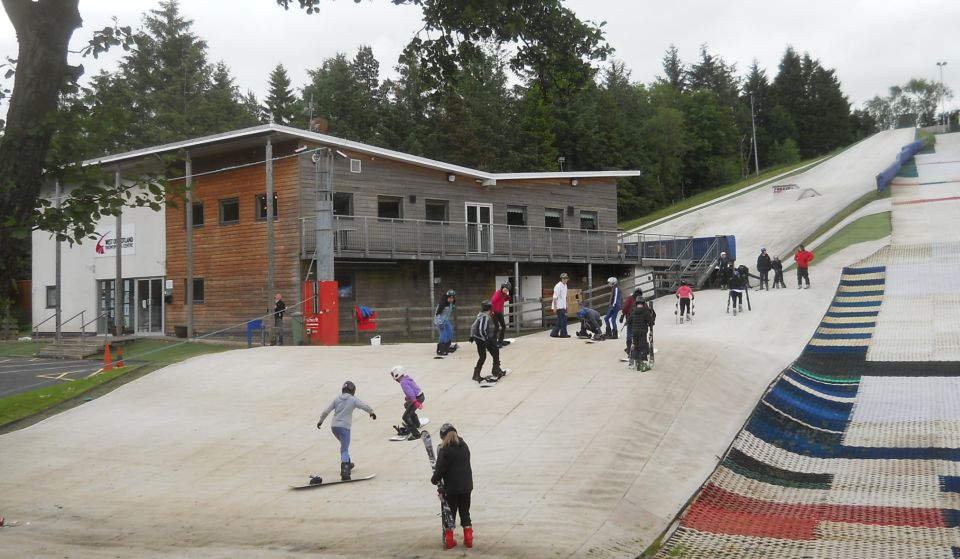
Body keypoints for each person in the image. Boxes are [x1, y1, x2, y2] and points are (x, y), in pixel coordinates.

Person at [316, 380, 377, 481]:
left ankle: (347, 463)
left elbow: (326, 410)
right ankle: (345, 471)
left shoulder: (336, 399)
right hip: (344, 428)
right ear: (353, 390)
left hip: (334, 427)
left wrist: (320, 421)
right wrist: (371, 412)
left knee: (343, 446)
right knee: (345, 449)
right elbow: (363, 406)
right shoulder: (353, 400)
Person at [431, 423, 474, 549]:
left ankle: (449, 541)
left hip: (451, 488)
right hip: (466, 486)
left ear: (443, 436)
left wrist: (434, 479)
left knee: (449, 514)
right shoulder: (464, 446)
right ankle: (468, 540)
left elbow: (440, 469)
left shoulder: (445, 450)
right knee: (465, 512)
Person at [469, 300, 506, 383]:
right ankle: (495, 370)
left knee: (483, 356)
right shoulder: (485, 316)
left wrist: (472, 336)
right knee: (495, 352)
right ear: (490, 308)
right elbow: (482, 329)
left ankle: (476, 374)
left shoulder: (480, 314)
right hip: (482, 339)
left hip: (478, 338)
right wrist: (486, 340)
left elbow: (473, 326)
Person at [390, 366, 425, 440]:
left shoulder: (403, 382)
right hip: (420, 395)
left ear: (397, 375)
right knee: (406, 405)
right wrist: (409, 397)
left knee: (405, 417)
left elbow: (411, 392)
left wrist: (415, 402)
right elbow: (414, 387)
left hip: (417, 398)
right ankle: (416, 423)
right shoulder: (406, 378)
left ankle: (416, 434)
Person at [629, 298, 656, 370]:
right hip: (642, 332)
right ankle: (642, 363)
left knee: (634, 345)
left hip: (634, 331)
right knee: (642, 346)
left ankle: (634, 362)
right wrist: (652, 318)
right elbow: (651, 322)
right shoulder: (645, 312)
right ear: (643, 304)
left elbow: (629, 321)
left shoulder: (633, 311)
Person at [435, 289, 458, 355]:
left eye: (452, 298)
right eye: (450, 298)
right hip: (440, 320)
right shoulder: (442, 303)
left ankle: (447, 347)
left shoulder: (451, 303)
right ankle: (440, 349)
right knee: (443, 334)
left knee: (450, 331)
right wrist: (440, 322)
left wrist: (453, 306)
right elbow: (437, 314)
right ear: (446, 297)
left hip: (445, 320)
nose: (451, 299)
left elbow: (452, 307)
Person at [620, 288, 642, 357]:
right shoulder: (641, 300)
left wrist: (622, 315)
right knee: (636, 334)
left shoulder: (630, 298)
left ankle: (629, 348)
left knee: (629, 333)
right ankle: (636, 348)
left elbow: (625, 307)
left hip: (630, 318)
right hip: (639, 320)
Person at [490, 282, 512, 347]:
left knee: (503, 326)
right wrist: (492, 311)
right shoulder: (498, 293)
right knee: (496, 327)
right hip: (494, 312)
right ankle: (493, 342)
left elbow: (503, 300)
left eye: (507, 290)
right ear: (502, 288)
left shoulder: (504, 294)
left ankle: (500, 340)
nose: (506, 291)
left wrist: (508, 297)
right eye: (505, 289)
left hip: (499, 312)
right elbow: (492, 301)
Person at [549, 272, 570, 338]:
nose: (565, 280)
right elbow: (555, 297)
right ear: (561, 279)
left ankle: (553, 333)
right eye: (564, 278)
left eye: (566, 278)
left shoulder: (565, 285)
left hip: (563, 305)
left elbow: (565, 296)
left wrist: (566, 304)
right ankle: (563, 334)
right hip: (558, 306)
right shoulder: (558, 286)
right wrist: (555, 307)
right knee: (563, 320)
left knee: (560, 320)